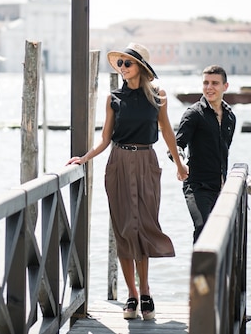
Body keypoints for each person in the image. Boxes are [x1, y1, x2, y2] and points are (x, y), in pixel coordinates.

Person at [67, 43, 188, 320]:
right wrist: (84, 158)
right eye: (120, 63)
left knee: (143, 227)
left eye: (127, 64)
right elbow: (105, 138)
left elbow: (168, 131)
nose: (122, 68)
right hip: (118, 163)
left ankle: (146, 291)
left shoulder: (158, 96)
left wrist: (179, 165)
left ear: (141, 68)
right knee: (123, 229)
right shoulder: (113, 98)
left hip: (147, 162)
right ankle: (132, 295)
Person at [175, 65, 236, 243]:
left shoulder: (230, 117)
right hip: (197, 185)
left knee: (223, 235)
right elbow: (177, 145)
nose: (209, 87)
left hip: (220, 187)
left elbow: (224, 152)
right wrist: (180, 163)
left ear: (225, 86)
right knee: (203, 227)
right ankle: (200, 271)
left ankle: (217, 271)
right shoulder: (193, 114)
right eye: (206, 83)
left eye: (215, 83)